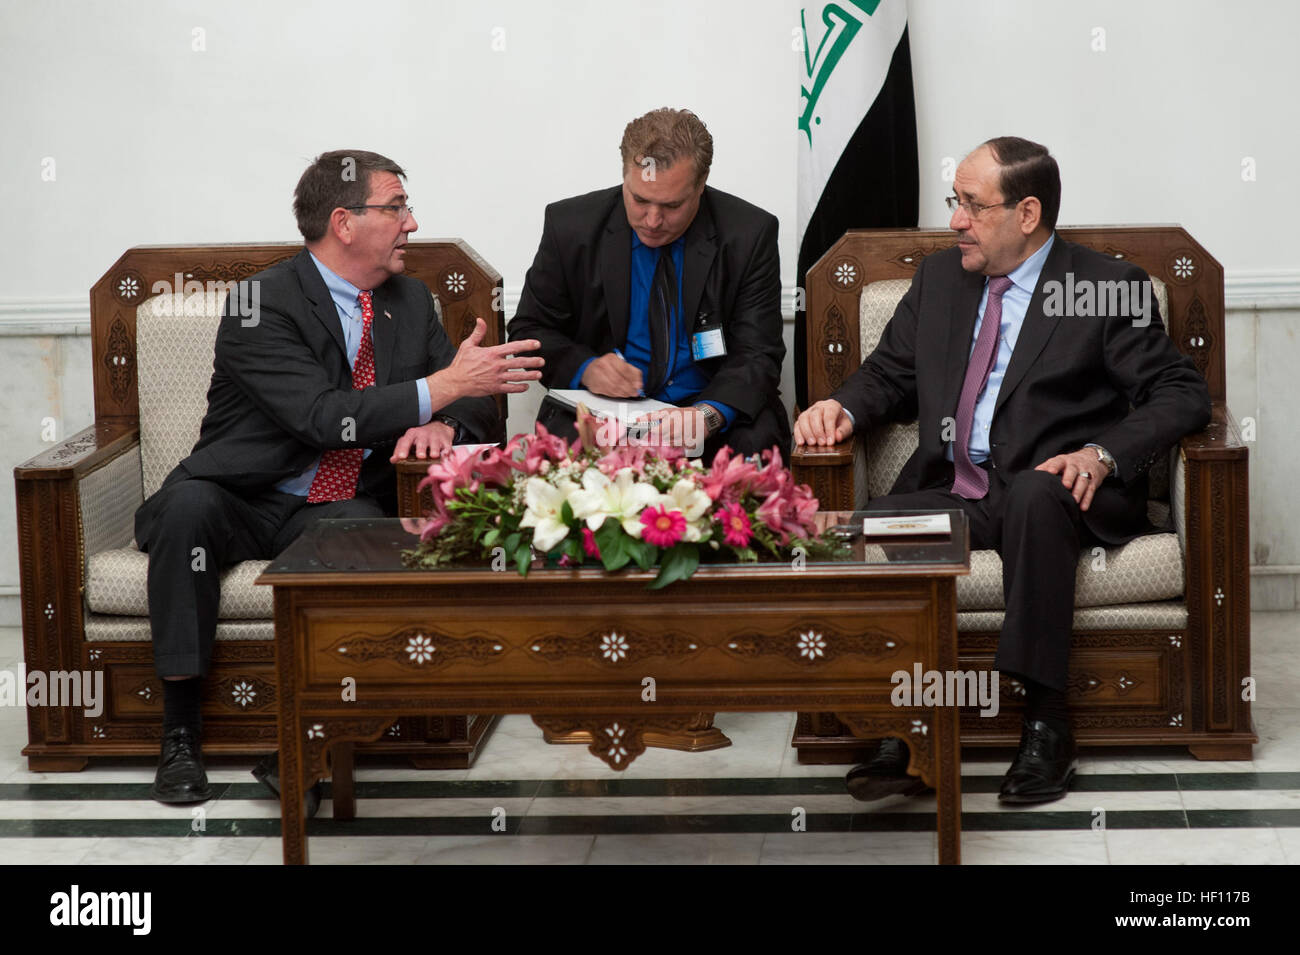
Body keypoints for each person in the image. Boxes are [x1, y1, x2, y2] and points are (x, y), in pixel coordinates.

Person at [795, 137, 1210, 804]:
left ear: (1027, 213)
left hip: (1056, 493)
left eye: (972, 205)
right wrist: (839, 407)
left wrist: (1099, 455)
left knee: (1037, 495)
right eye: (955, 202)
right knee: (860, 530)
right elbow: (890, 375)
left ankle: (1046, 722)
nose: (956, 219)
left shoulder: (1103, 288)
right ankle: (902, 722)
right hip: (959, 489)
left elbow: (1181, 393)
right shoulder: (939, 281)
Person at [136, 150, 543, 810]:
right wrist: (435, 390)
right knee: (185, 511)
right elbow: (320, 416)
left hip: (336, 499)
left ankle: (304, 740)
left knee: (358, 530)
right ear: (344, 223)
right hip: (237, 492)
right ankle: (180, 733)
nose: (411, 223)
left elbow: (474, 401)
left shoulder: (410, 302)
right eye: (397, 207)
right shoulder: (258, 304)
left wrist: (447, 422)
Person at [509, 107, 790, 460]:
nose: (653, 220)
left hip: (706, 405)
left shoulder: (748, 233)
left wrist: (707, 414)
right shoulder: (571, 227)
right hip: (603, 410)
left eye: (671, 206)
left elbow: (758, 352)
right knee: (561, 452)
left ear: (701, 186)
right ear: (624, 175)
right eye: (640, 200)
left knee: (756, 443)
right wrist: (587, 368)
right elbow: (528, 331)